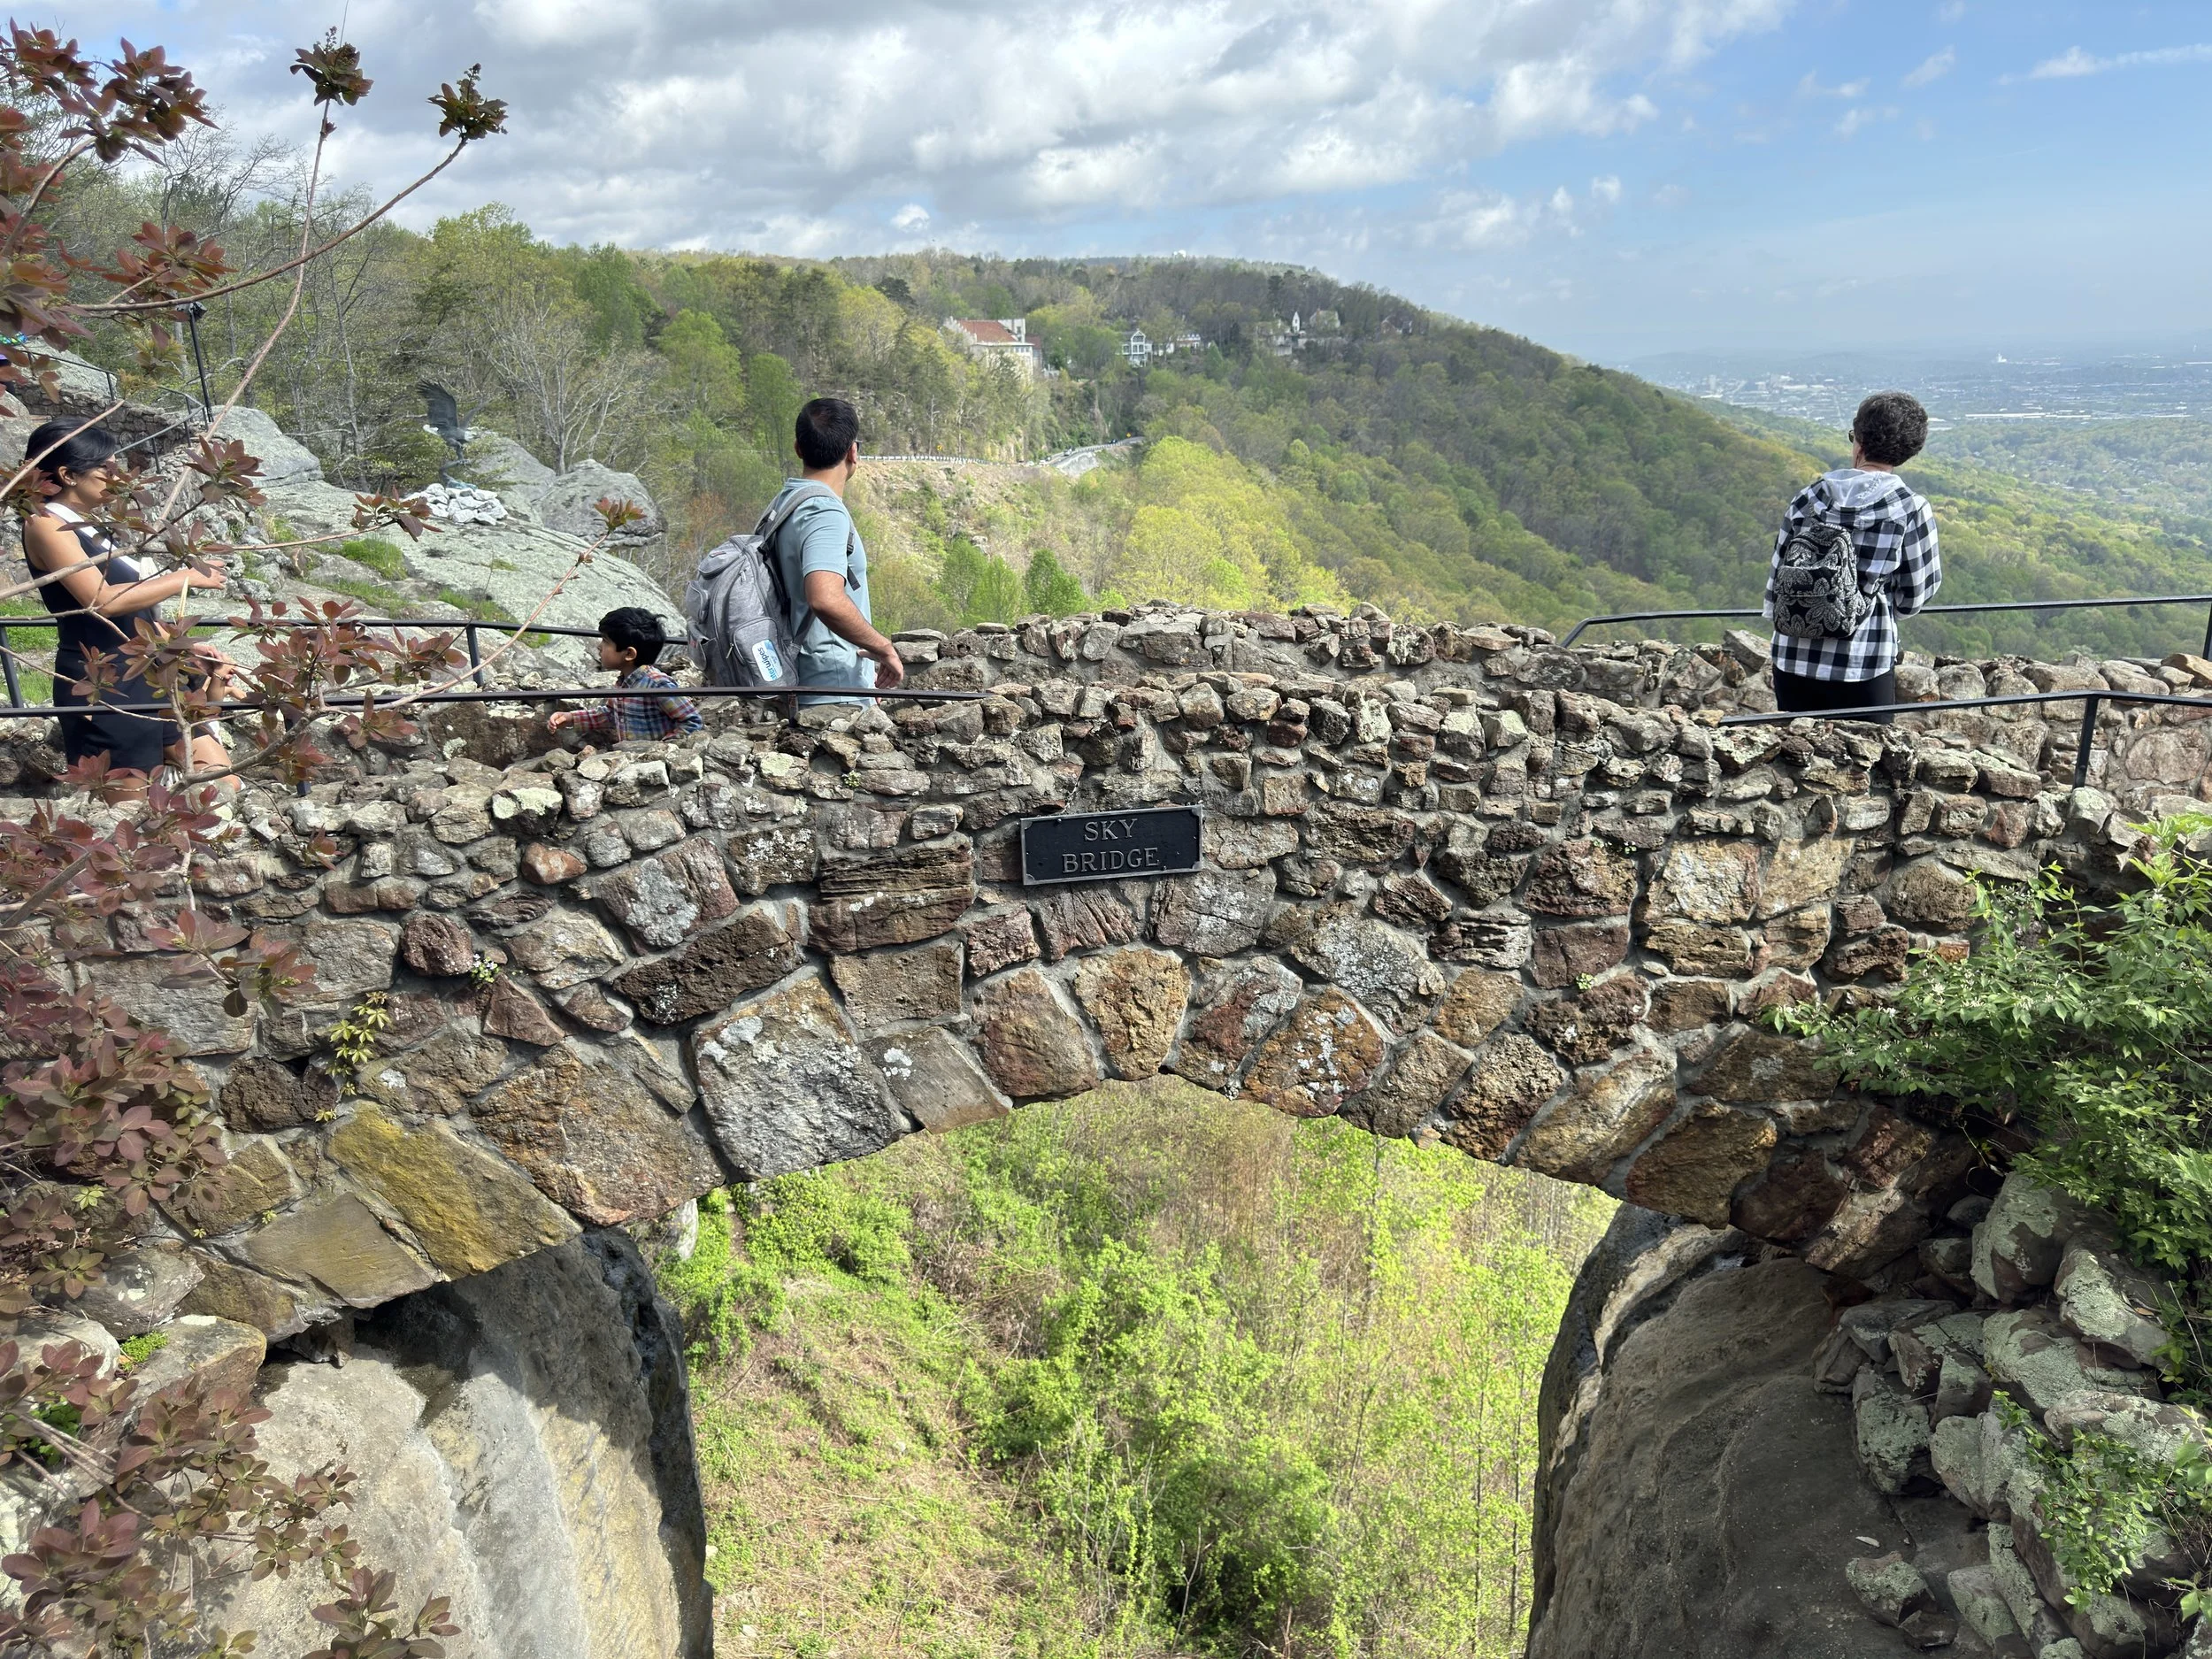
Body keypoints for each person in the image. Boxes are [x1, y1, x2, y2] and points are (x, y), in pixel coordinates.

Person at [18, 419, 233, 789]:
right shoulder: (46, 524)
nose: (118, 478)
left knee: (220, 783)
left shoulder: (92, 526)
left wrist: (174, 642)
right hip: (102, 679)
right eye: (107, 468)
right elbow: (99, 601)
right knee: (129, 813)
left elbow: (132, 605)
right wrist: (187, 576)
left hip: (150, 672)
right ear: (69, 474)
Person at [1763, 390, 1941, 726]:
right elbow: (1916, 593)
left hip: (1793, 657)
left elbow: (1777, 581)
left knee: (1796, 758)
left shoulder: (1808, 498)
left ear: (1858, 440)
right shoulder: (1909, 508)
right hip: (1864, 661)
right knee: (1865, 763)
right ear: (1908, 452)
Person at [763, 397, 904, 704]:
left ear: (798, 448)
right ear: (853, 452)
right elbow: (824, 598)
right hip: (831, 685)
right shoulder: (823, 512)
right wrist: (883, 648)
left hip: (802, 677)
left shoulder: (783, 504)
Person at [548, 606, 703, 742]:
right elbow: (610, 714)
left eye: (606, 641)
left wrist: (664, 750)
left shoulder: (657, 684)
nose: (599, 646)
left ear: (629, 653)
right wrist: (571, 718)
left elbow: (692, 721)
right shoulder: (624, 682)